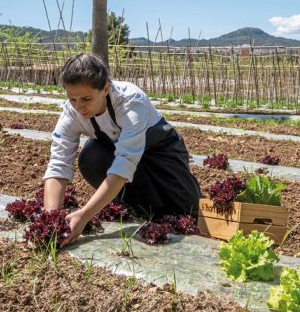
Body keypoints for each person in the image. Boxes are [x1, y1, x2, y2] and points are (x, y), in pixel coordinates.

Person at [42, 53, 201, 245]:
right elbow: (59, 164)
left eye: (86, 99)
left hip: (160, 151)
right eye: (72, 99)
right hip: (118, 153)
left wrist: (85, 215)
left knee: (188, 211)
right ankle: (136, 205)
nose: (79, 107)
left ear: (105, 88)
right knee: (91, 156)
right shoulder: (70, 114)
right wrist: (51, 220)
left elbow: (124, 163)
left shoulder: (130, 101)